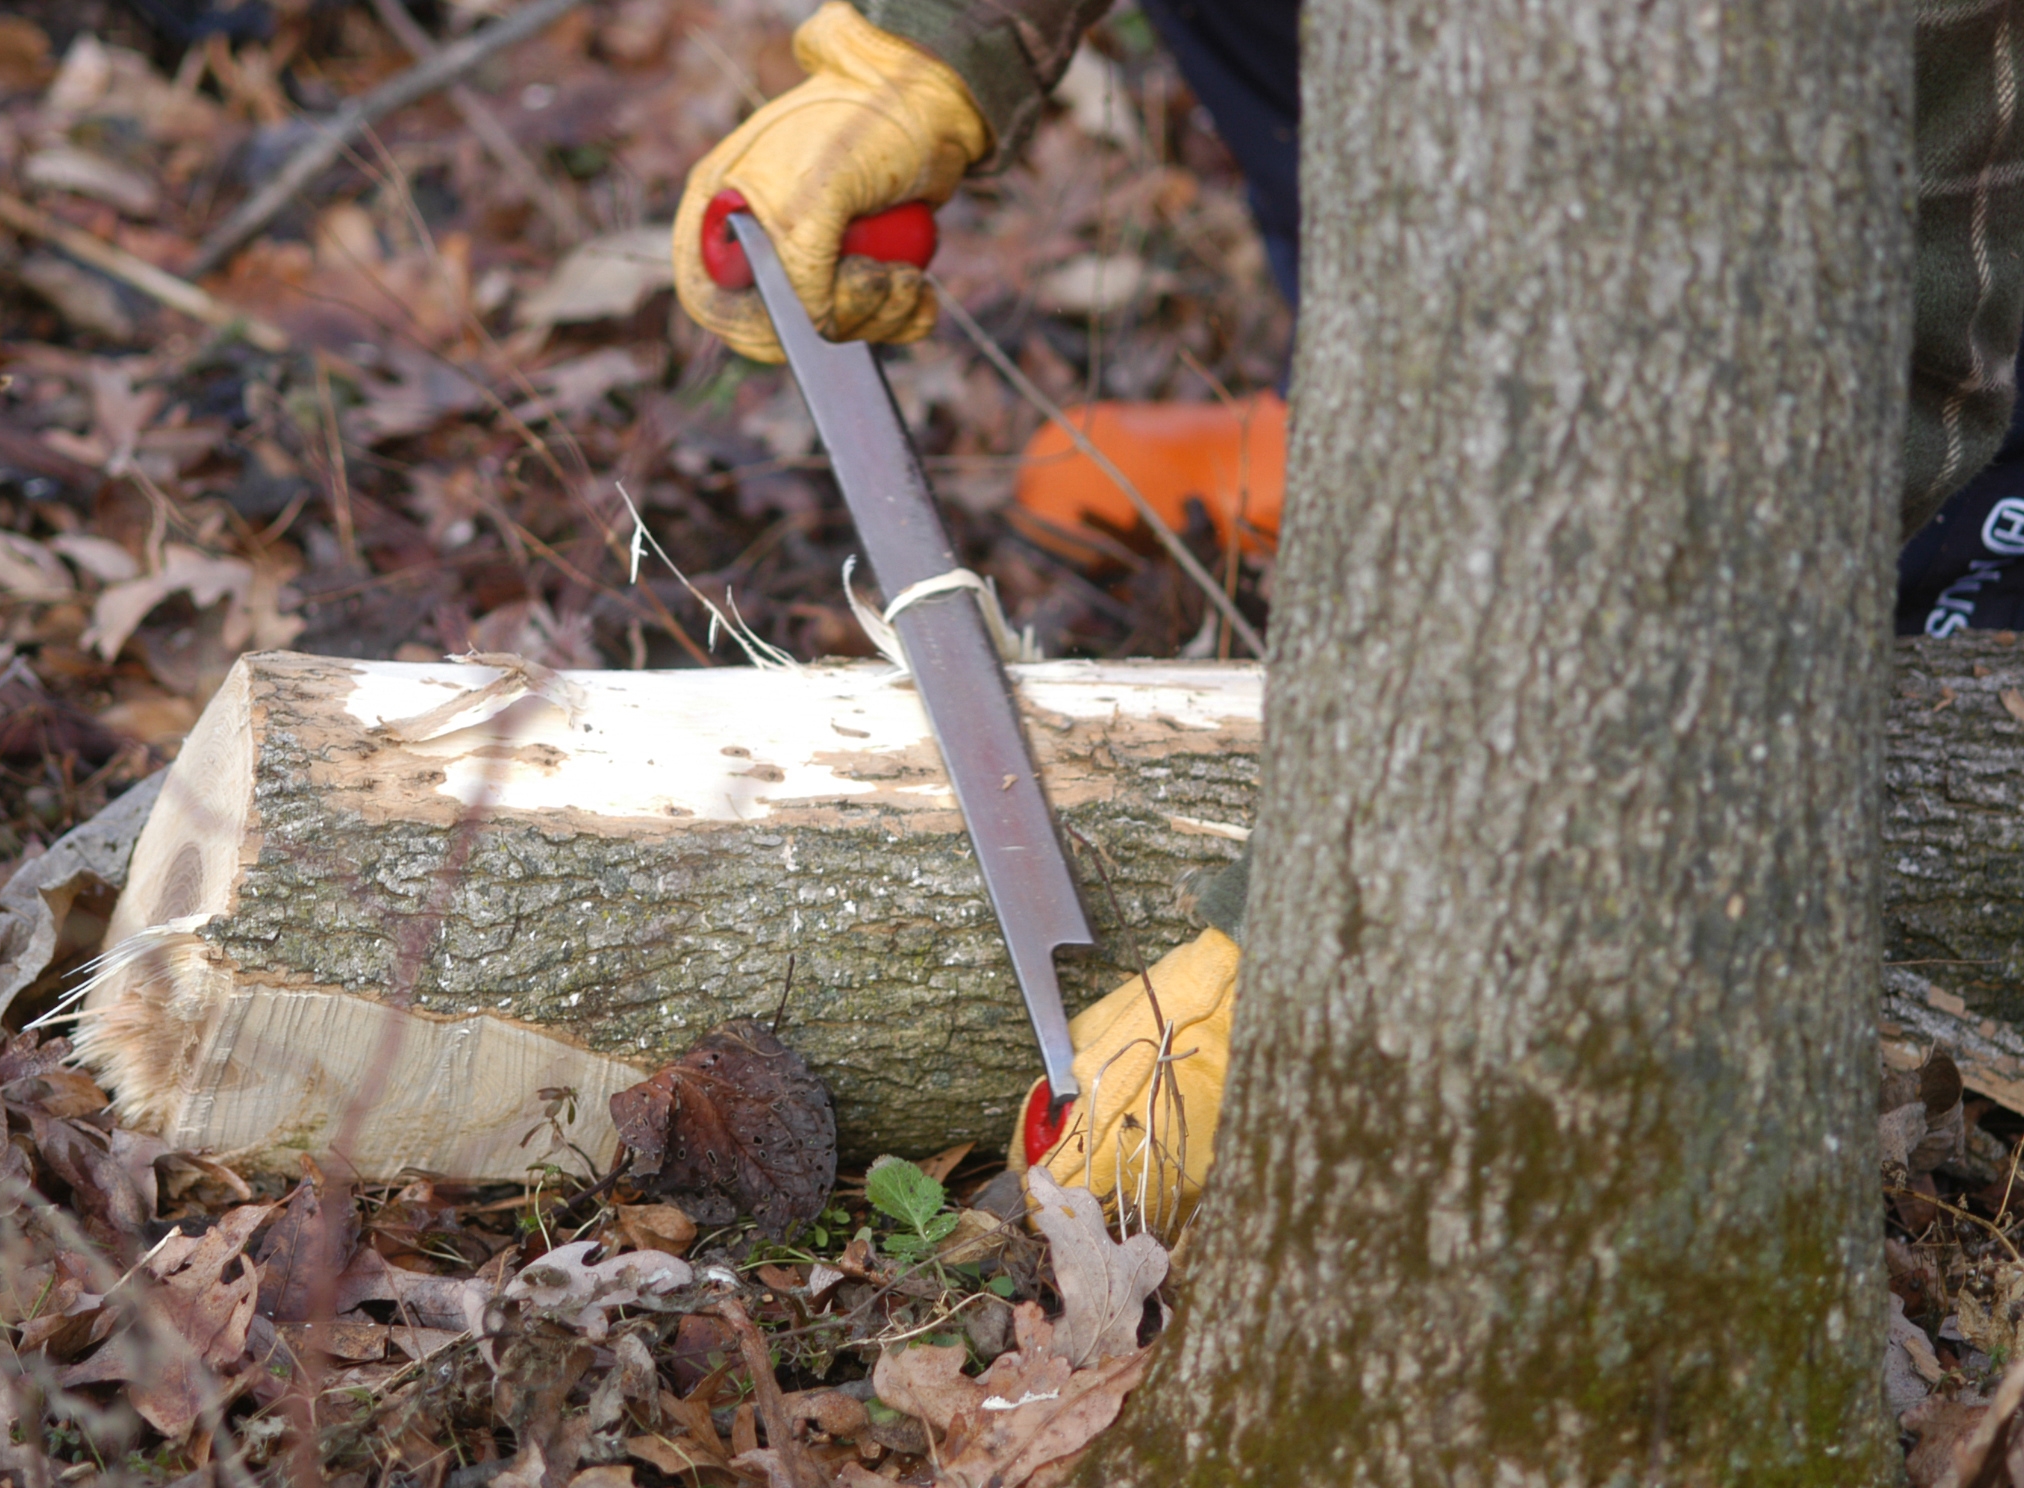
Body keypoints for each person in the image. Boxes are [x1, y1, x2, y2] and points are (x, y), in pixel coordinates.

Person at [670, 0, 2024, 1209]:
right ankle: (1431, 431)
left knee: (1888, 657)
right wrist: (935, 54)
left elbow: (1870, 332)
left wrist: (1353, 917)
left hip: (1938, 272)